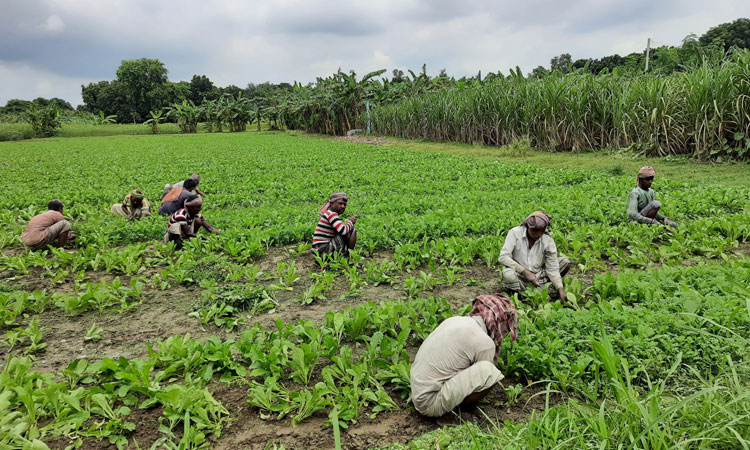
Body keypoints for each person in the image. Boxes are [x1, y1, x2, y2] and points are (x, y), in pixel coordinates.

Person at [410, 294, 518, 424]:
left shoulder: (455, 320)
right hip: (430, 403)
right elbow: (482, 380)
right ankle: (455, 413)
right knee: (490, 373)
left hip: (417, 393)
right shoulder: (485, 343)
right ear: (499, 323)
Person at [499, 211, 569, 302]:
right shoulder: (515, 233)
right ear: (527, 226)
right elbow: (503, 257)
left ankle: (545, 289)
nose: (538, 234)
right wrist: (524, 271)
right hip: (519, 275)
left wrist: (560, 288)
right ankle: (519, 294)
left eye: (542, 230)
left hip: (539, 276)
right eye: (535, 230)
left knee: (565, 262)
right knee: (508, 274)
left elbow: (552, 267)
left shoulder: (547, 240)